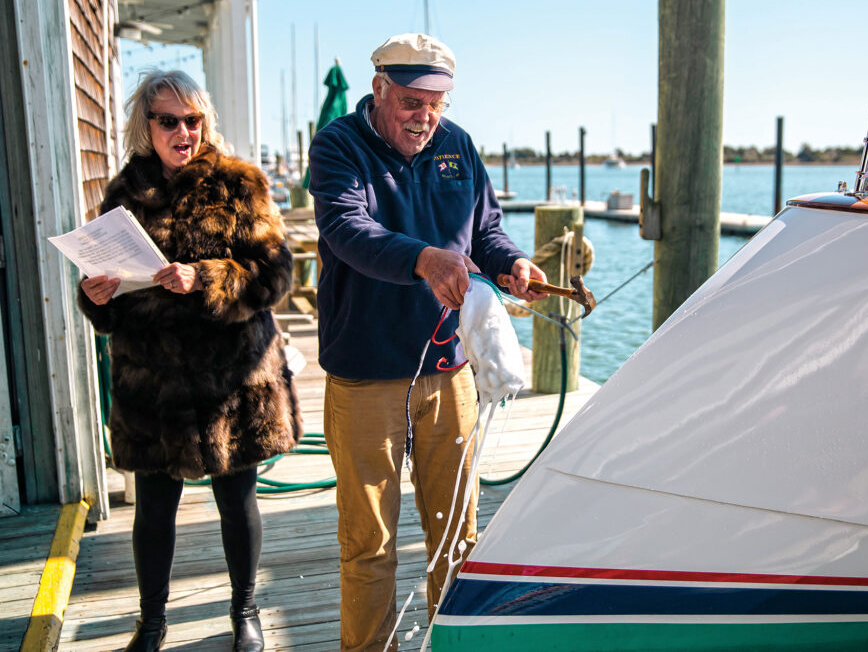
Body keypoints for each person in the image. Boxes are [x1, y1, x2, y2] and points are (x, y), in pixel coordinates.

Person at [308, 33, 547, 651]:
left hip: (449, 371)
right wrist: (422, 259)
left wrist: (513, 264)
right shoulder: (338, 145)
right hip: (364, 375)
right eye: (412, 102)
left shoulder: (459, 146)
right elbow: (346, 230)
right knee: (369, 543)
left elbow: (486, 233)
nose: (426, 117)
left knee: (458, 537)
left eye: (436, 103)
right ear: (379, 88)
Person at [78, 70, 301, 652]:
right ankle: (151, 623)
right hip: (151, 384)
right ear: (145, 126)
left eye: (193, 119)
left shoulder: (239, 184)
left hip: (231, 378)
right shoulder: (124, 193)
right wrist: (94, 296)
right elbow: (110, 298)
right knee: (153, 508)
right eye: (168, 120)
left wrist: (204, 277)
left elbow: (277, 275)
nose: (183, 131)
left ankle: (244, 612)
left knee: (237, 498)